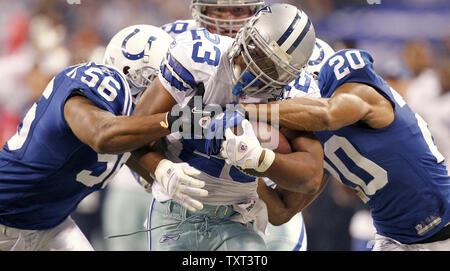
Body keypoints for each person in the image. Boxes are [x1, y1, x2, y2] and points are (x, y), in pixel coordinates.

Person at [132, 3, 325, 251]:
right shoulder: (197, 54)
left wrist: (261, 159)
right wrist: (160, 167)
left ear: (293, 74)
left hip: (240, 218)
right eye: (255, 50)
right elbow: (133, 131)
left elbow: (311, 177)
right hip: (174, 211)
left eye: (271, 65)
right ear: (247, 32)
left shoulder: (299, 91)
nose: (254, 66)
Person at [0, 24, 208, 251]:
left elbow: (129, 146)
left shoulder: (125, 118)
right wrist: (178, 120)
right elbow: (102, 135)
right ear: (138, 73)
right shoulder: (106, 82)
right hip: (7, 215)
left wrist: (162, 170)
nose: (171, 93)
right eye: (166, 81)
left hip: (52, 223)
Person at [227, 48, 450, 250]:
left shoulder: (357, 89)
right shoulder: (312, 136)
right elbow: (281, 212)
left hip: (444, 222)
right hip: (393, 237)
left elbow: (327, 115)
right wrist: (249, 161)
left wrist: (244, 110)